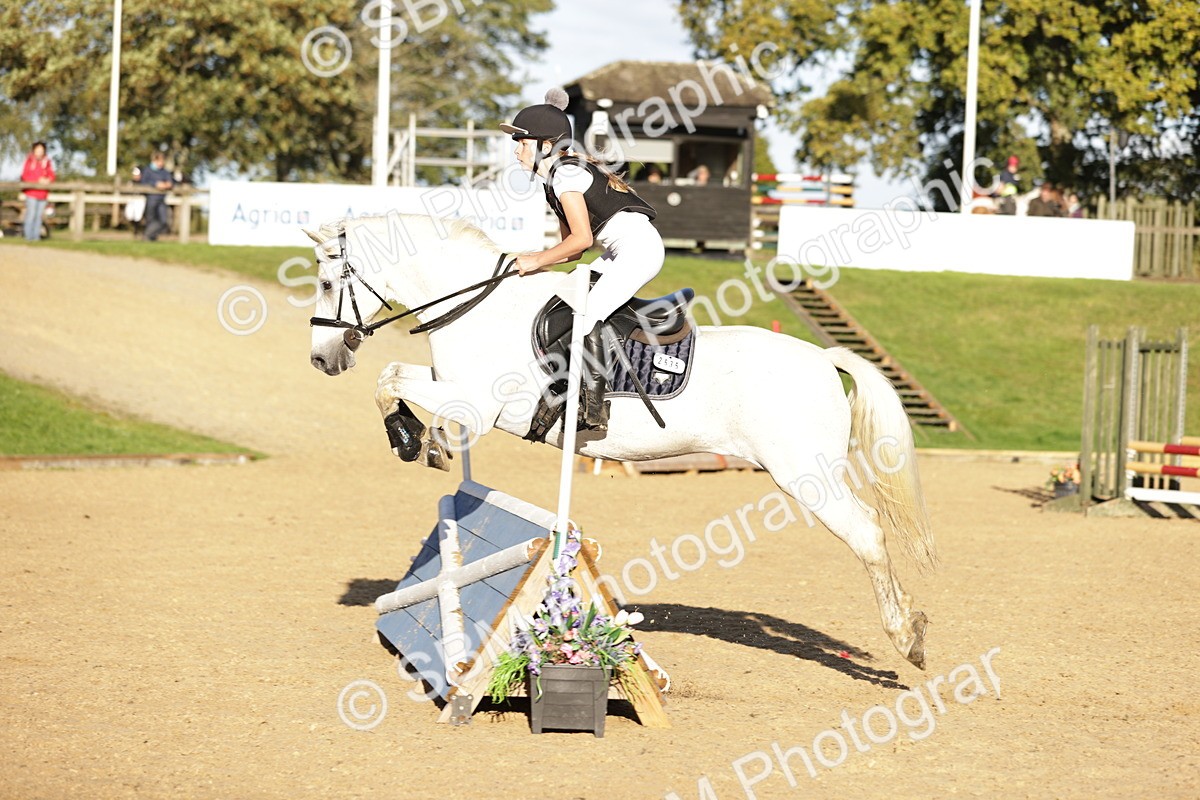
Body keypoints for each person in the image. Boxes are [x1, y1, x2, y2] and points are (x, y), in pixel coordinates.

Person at [500, 88, 662, 431]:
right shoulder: (552, 182)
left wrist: (536, 259)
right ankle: (561, 386)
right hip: (617, 252)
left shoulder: (566, 175)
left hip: (638, 250)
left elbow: (582, 239)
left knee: (586, 314)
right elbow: (572, 250)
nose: (516, 150)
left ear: (546, 145)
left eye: (522, 142)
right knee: (563, 301)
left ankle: (593, 407)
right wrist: (531, 262)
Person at [20, 142, 55, 241]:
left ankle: (36, 237)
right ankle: (28, 237)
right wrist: (37, 180)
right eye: (38, 149)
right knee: (31, 215)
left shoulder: (46, 162)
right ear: (34, 150)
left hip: (43, 194)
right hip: (31, 192)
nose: (40, 152)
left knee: (39, 216)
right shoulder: (29, 161)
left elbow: (51, 174)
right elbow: (25, 175)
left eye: (41, 150)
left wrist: (48, 179)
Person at [139, 151, 175, 241]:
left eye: (162, 161)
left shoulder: (165, 172)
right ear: (154, 160)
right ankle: (150, 237)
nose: (161, 163)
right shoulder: (147, 170)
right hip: (151, 199)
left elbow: (171, 181)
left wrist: (168, 184)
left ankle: (147, 235)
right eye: (159, 161)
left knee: (163, 220)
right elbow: (143, 182)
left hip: (161, 199)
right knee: (150, 220)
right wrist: (155, 184)